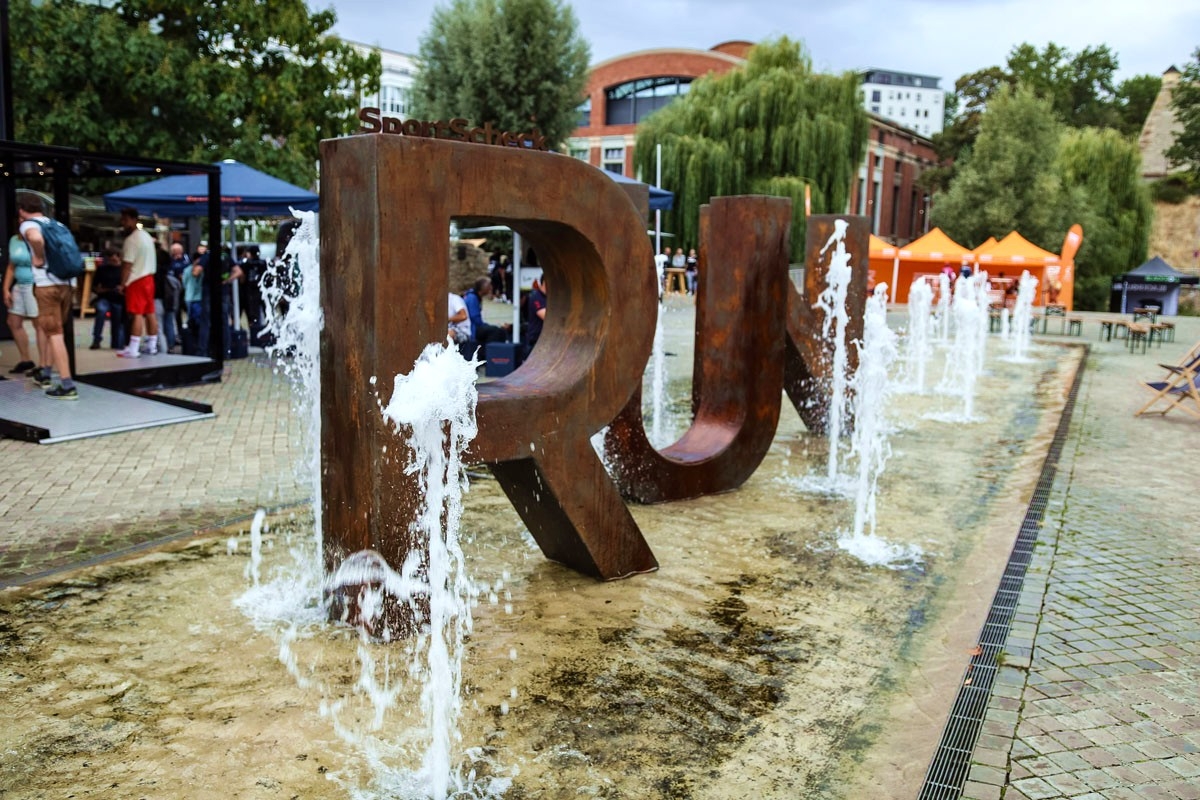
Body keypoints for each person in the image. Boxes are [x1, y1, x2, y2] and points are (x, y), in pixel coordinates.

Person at [17, 196, 78, 399]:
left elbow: (36, 239)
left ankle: (67, 385)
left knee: (55, 334)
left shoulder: (28, 225)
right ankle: (45, 373)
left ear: (21, 210)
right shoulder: (56, 224)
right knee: (55, 330)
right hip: (67, 283)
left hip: (47, 284)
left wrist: (38, 256)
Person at [116, 207, 160, 358]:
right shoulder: (146, 236)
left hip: (136, 279)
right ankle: (152, 345)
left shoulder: (131, 240)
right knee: (150, 312)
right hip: (149, 277)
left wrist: (122, 284)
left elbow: (127, 265)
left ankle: (133, 348)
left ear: (134, 220)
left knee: (137, 313)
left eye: (125, 220)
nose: (123, 223)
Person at [3, 228, 39, 374]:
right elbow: (11, 266)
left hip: (34, 284)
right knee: (13, 321)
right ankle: (26, 360)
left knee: (39, 325)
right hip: (19, 285)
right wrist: (6, 289)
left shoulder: (37, 239)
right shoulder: (14, 240)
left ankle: (44, 364)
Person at [89, 250, 125, 350]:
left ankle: (116, 342)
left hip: (118, 298)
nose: (112, 260)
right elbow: (95, 286)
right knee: (101, 311)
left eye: (114, 257)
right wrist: (100, 290)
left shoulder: (123, 270)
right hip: (105, 297)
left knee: (117, 321)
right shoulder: (102, 269)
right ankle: (97, 339)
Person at [463, 277, 511, 344]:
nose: (491, 288)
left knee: (497, 329)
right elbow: (475, 318)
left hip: (475, 326)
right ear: (483, 288)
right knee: (495, 331)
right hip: (471, 329)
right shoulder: (472, 298)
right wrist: (487, 325)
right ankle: (489, 351)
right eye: (489, 286)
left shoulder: (475, 297)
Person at [181, 247, 206, 356]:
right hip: (198, 298)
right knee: (197, 321)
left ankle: (194, 343)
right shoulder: (202, 269)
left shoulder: (186, 270)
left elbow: (184, 283)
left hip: (190, 297)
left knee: (193, 321)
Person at [168, 242, 189, 342]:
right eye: (174, 251)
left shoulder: (186, 259)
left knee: (189, 310)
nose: (176, 253)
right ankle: (179, 334)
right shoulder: (170, 261)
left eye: (178, 251)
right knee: (176, 313)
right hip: (175, 291)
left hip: (186, 290)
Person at [524, 274, 547, 359]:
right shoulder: (536, 297)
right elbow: (545, 316)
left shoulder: (551, 298)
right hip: (535, 342)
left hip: (547, 341)